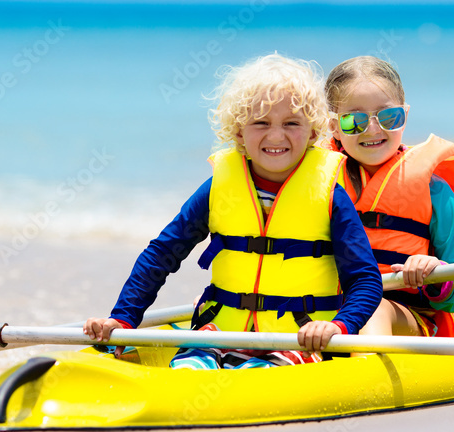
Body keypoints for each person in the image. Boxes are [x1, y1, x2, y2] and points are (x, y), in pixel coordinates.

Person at [84, 53, 383, 369]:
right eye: (261, 122)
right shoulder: (218, 188)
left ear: (313, 132)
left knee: (260, 376)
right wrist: (123, 320)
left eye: (292, 123)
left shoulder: (331, 198)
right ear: (239, 132)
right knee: (189, 370)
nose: (276, 135)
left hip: (296, 340)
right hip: (220, 331)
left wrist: (339, 326)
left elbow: (365, 279)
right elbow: (161, 255)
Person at [323, 56, 454, 338]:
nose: (373, 129)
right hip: (328, 317)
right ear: (333, 126)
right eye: (354, 121)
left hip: (407, 317)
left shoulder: (434, 191)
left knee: (373, 308)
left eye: (388, 116)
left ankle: (368, 377)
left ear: (405, 115)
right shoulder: (317, 185)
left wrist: (436, 273)